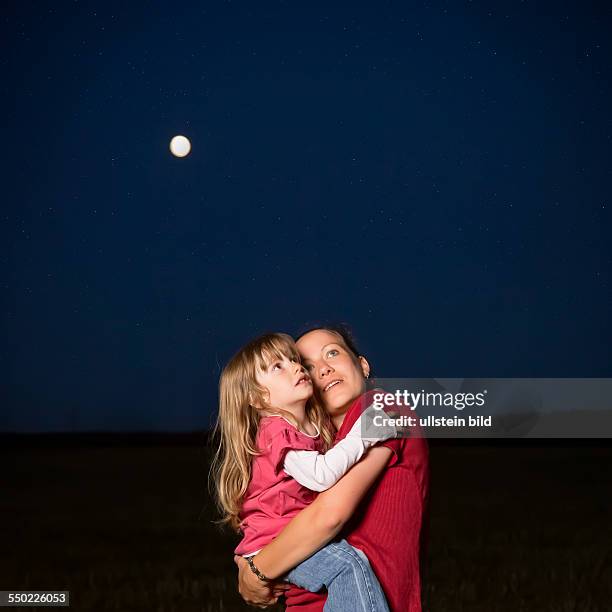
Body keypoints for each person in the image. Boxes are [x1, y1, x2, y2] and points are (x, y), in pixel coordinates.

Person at [234, 326, 430, 611]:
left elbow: (328, 516)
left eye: (333, 353)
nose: (322, 370)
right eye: (308, 366)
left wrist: (255, 571)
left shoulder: (382, 409)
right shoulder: (315, 443)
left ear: (362, 365)